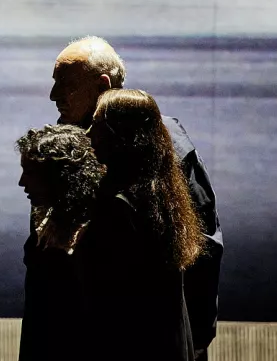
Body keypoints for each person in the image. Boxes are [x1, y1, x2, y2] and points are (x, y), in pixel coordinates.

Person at [22, 36, 223, 360]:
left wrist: (193, 338)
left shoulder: (168, 153)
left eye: (66, 84)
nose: (53, 95)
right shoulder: (66, 150)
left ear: (103, 85)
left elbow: (201, 249)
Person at [76, 88, 207, 361]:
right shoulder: (163, 198)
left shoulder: (119, 208)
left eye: (97, 124)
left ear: (119, 135)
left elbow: (110, 305)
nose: (88, 134)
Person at [16, 124, 104, 361]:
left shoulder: (95, 231)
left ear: (57, 176)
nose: (21, 182)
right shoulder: (43, 220)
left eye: (30, 172)